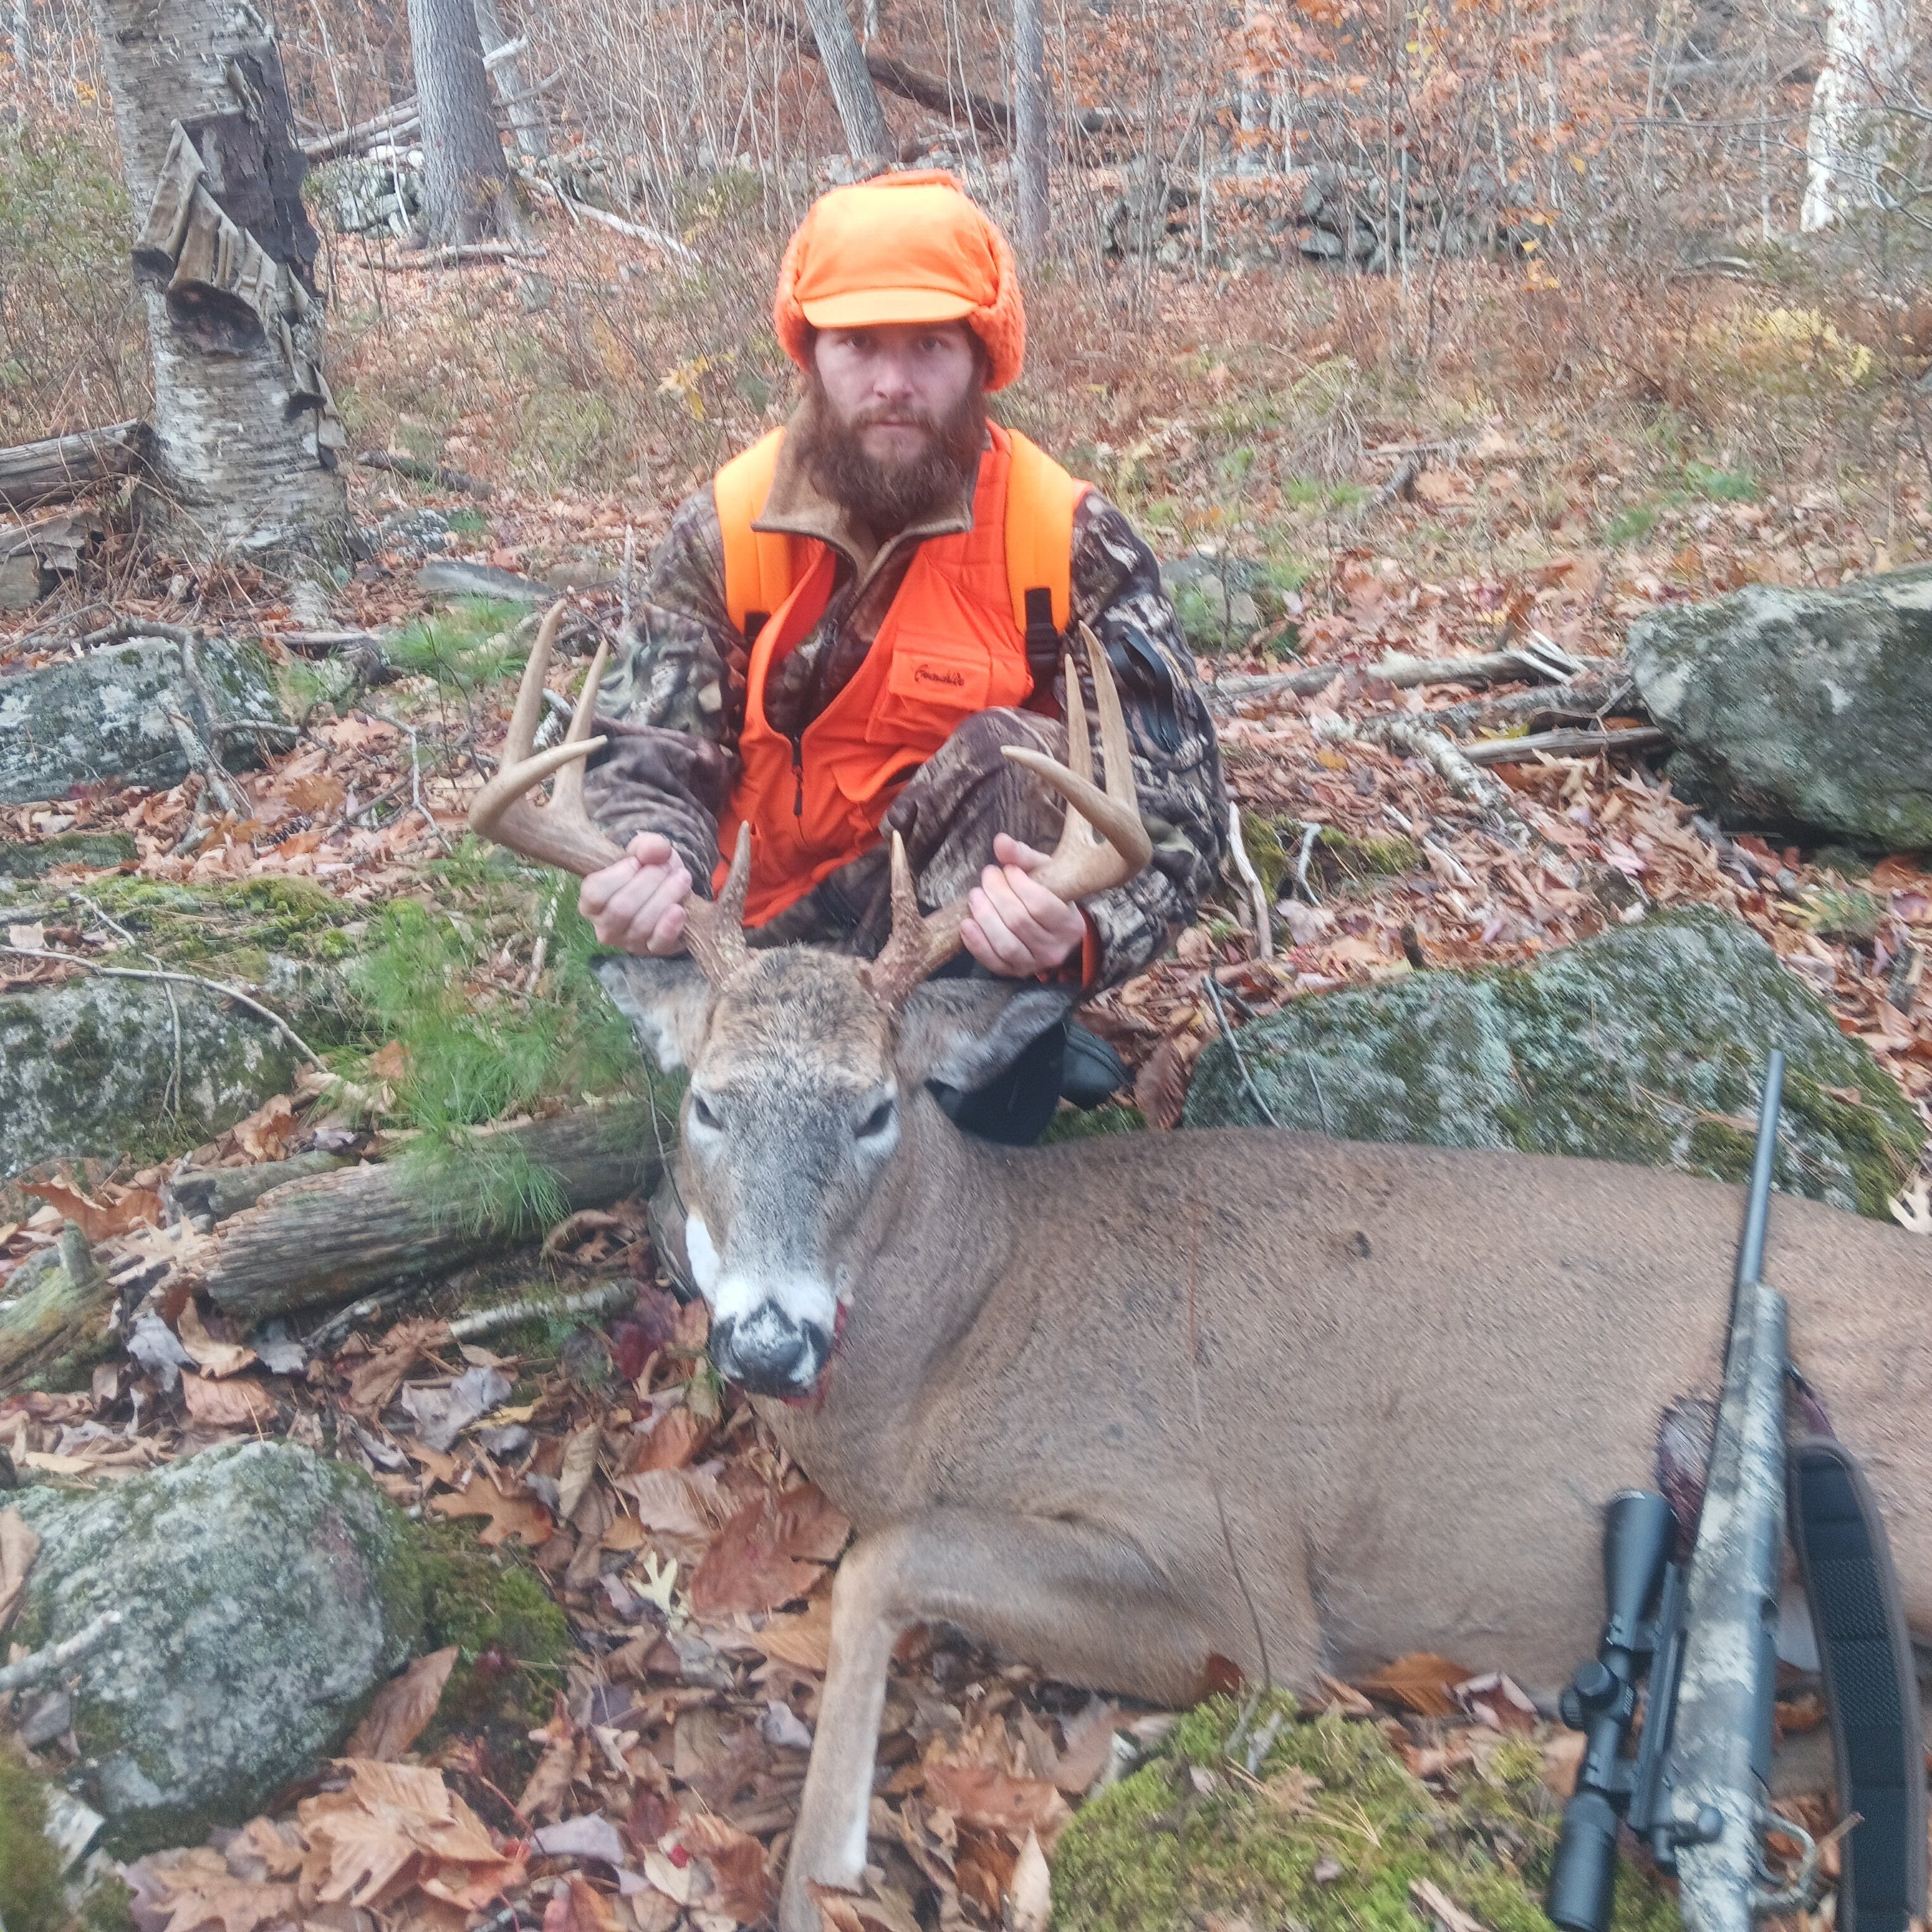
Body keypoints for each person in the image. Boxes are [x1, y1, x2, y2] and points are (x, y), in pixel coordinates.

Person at [579, 169, 1226, 1143]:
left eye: (929, 345)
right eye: (859, 344)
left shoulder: (1065, 539)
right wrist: (648, 858)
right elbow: (645, 756)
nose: (893, 383)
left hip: (940, 964)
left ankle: (976, 1103)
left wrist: (1085, 933)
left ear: (981, 360)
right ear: (811, 355)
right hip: (751, 954)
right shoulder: (727, 529)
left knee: (1017, 760)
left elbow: (1180, 810)